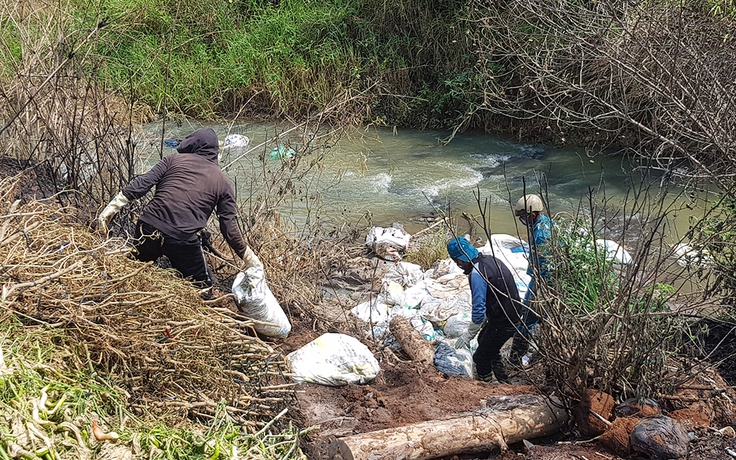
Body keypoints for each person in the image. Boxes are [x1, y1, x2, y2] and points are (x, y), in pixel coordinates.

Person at [97, 127, 262, 293]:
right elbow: (228, 228)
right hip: (181, 239)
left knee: (132, 269)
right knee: (203, 290)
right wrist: (249, 258)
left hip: (147, 228)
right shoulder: (223, 182)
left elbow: (141, 184)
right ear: (215, 153)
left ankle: (115, 291)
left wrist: (110, 210)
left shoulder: (172, 160)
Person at [448, 236, 525, 383]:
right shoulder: (490, 260)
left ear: (459, 260)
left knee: (480, 357)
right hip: (511, 313)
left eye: (456, 261)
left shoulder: (477, 274)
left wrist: (468, 334)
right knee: (484, 340)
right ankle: (503, 378)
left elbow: (478, 310)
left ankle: (486, 387)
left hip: (504, 321)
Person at [509, 193, 552, 364]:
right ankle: (545, 354)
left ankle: (515, 359)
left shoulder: (541, 235)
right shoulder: (548, 224)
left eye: (523, 216)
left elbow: (545, 266)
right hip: (548, 282)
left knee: (526, 318)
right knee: (547, 319)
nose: (522, 220)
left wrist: (537, 288)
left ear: (532, 214)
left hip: (542, 282)